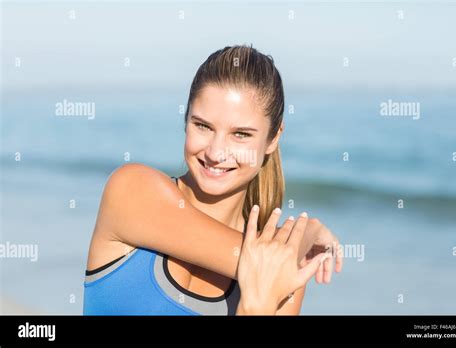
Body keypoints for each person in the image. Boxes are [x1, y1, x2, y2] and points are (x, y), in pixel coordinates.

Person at [83, 45, 343, 315]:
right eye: (203, 126)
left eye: (240, 134)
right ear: (186, 121)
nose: (216, 153)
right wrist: (304, 237)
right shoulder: (132, 191)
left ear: (273, 138)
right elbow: (258, 261)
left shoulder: (287, 268)